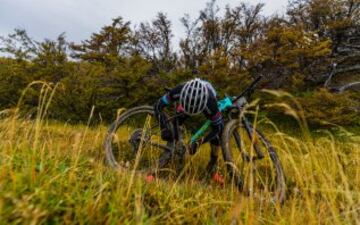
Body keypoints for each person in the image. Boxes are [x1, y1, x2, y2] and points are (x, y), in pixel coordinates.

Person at [149, 78, 225, 185]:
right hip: (185, 100)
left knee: (218, 135)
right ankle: (173, 152)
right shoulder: (178, 91)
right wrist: (164, 128)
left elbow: (218, 129)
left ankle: (212, 169)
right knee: (177, 121)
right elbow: (157, 106)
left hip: (206, 101)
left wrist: (199, 142)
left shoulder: (211, 103)